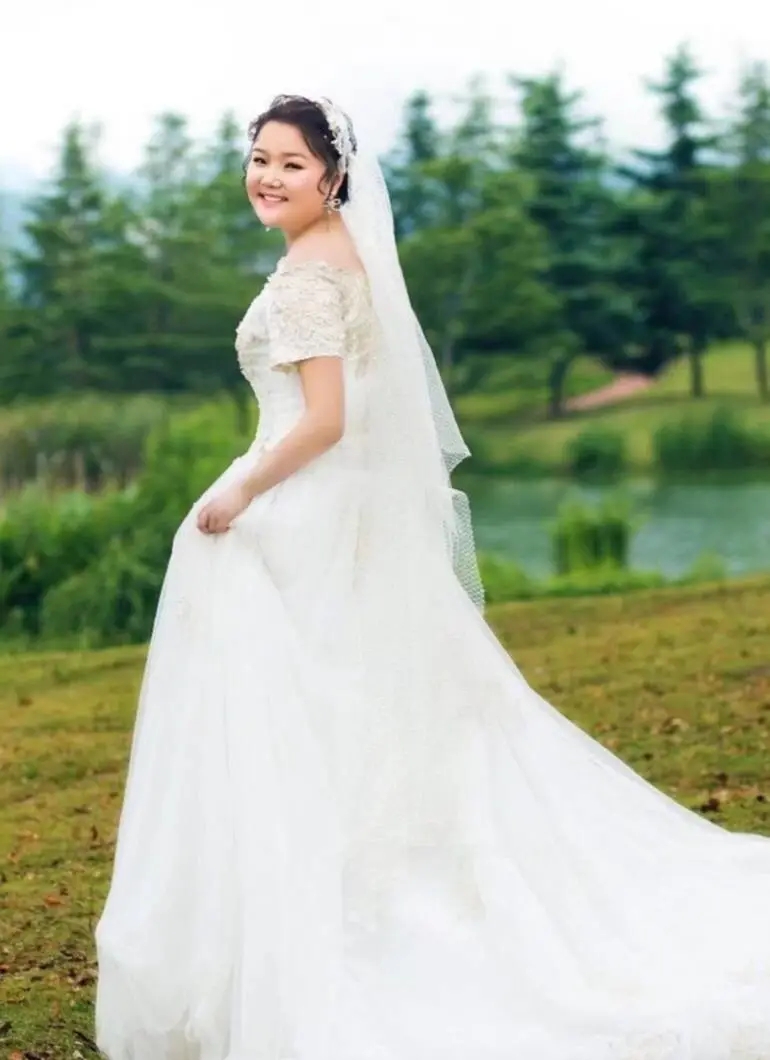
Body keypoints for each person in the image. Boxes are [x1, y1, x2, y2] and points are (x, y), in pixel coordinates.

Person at [94, 95, 770, 1060]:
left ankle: (321, 923)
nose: (268, 177)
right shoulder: (345, 256)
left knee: (296, 717)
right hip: (344, 507)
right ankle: (350, 893)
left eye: (291, 163)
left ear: (334, 176)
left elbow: (324, 421)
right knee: (352, 710)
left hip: (300, 507)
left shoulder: (307, 278)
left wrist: (239, 490)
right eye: (259, 158)